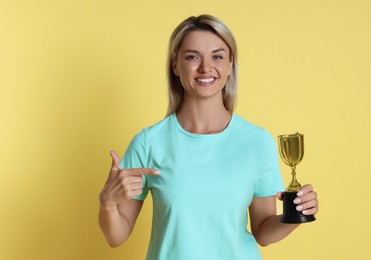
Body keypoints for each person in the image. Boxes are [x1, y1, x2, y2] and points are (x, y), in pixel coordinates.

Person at [98, 14, 318, 260]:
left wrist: (296, 215)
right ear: (175, 65)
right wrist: (107, 203)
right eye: (192, 56)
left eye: (217, 56)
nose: (205, 68)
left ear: (230, 64)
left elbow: (263, 232)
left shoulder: (257, 142)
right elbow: (116, 236)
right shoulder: (149, 142)